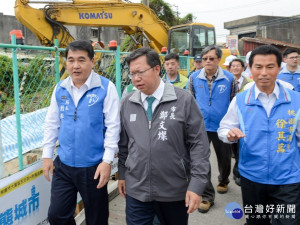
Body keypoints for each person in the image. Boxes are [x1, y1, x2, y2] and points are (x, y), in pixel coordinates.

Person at [118, 47, 210, 225]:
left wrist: (197, 185)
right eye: (132, 74)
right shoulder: (128, 102)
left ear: (156, 69)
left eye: (140, 72)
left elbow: (199, 145)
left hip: (174, 190)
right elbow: (124, 144)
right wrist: (122, 174)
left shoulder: (183, 100)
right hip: (137, 189)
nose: (136, 78)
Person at [218, 45, 300, 225]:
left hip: (288, 178)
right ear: (250, 68)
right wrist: (229, 133)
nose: (264, 73)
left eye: (270, 67)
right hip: (252, 176)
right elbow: (223, 129)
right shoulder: (240, 100)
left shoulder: (296, 100)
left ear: (280, 68)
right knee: (256, 221)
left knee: (289, 222)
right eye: (258, 67)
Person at [42, 40, 120, 225]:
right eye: (71, 60)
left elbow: (113, 127)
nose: (75, 66)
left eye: (81, 60)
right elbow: (52, 123)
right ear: (66, 62)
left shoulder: (105, 88)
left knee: (96, 218)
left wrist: (107, 161)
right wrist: (46, 156)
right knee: (57, 216)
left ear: (92, 62)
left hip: (93, 167)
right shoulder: (60, 88)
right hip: (64, 164)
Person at [188, 45, 236, 213]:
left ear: (218, 60)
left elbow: (233, 102)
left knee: (224, 158)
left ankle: (223, 180)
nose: (207, 61)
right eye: (205, 58)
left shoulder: (229, 78)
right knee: (201, 161)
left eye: (211, 58)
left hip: (222, 126)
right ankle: (207, 196)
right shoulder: (194, 77)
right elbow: (190, 100)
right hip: (200, 126)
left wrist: (232, 124)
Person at [228, 58, 252, 186]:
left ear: (243, 68)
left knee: (240, 147)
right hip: (231, 117)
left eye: (238, 66)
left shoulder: (249, 83)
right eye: (233, 66)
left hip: (244, 118)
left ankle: (238, 172)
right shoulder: (227, 81)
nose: (236, 68)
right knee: (232, 145)